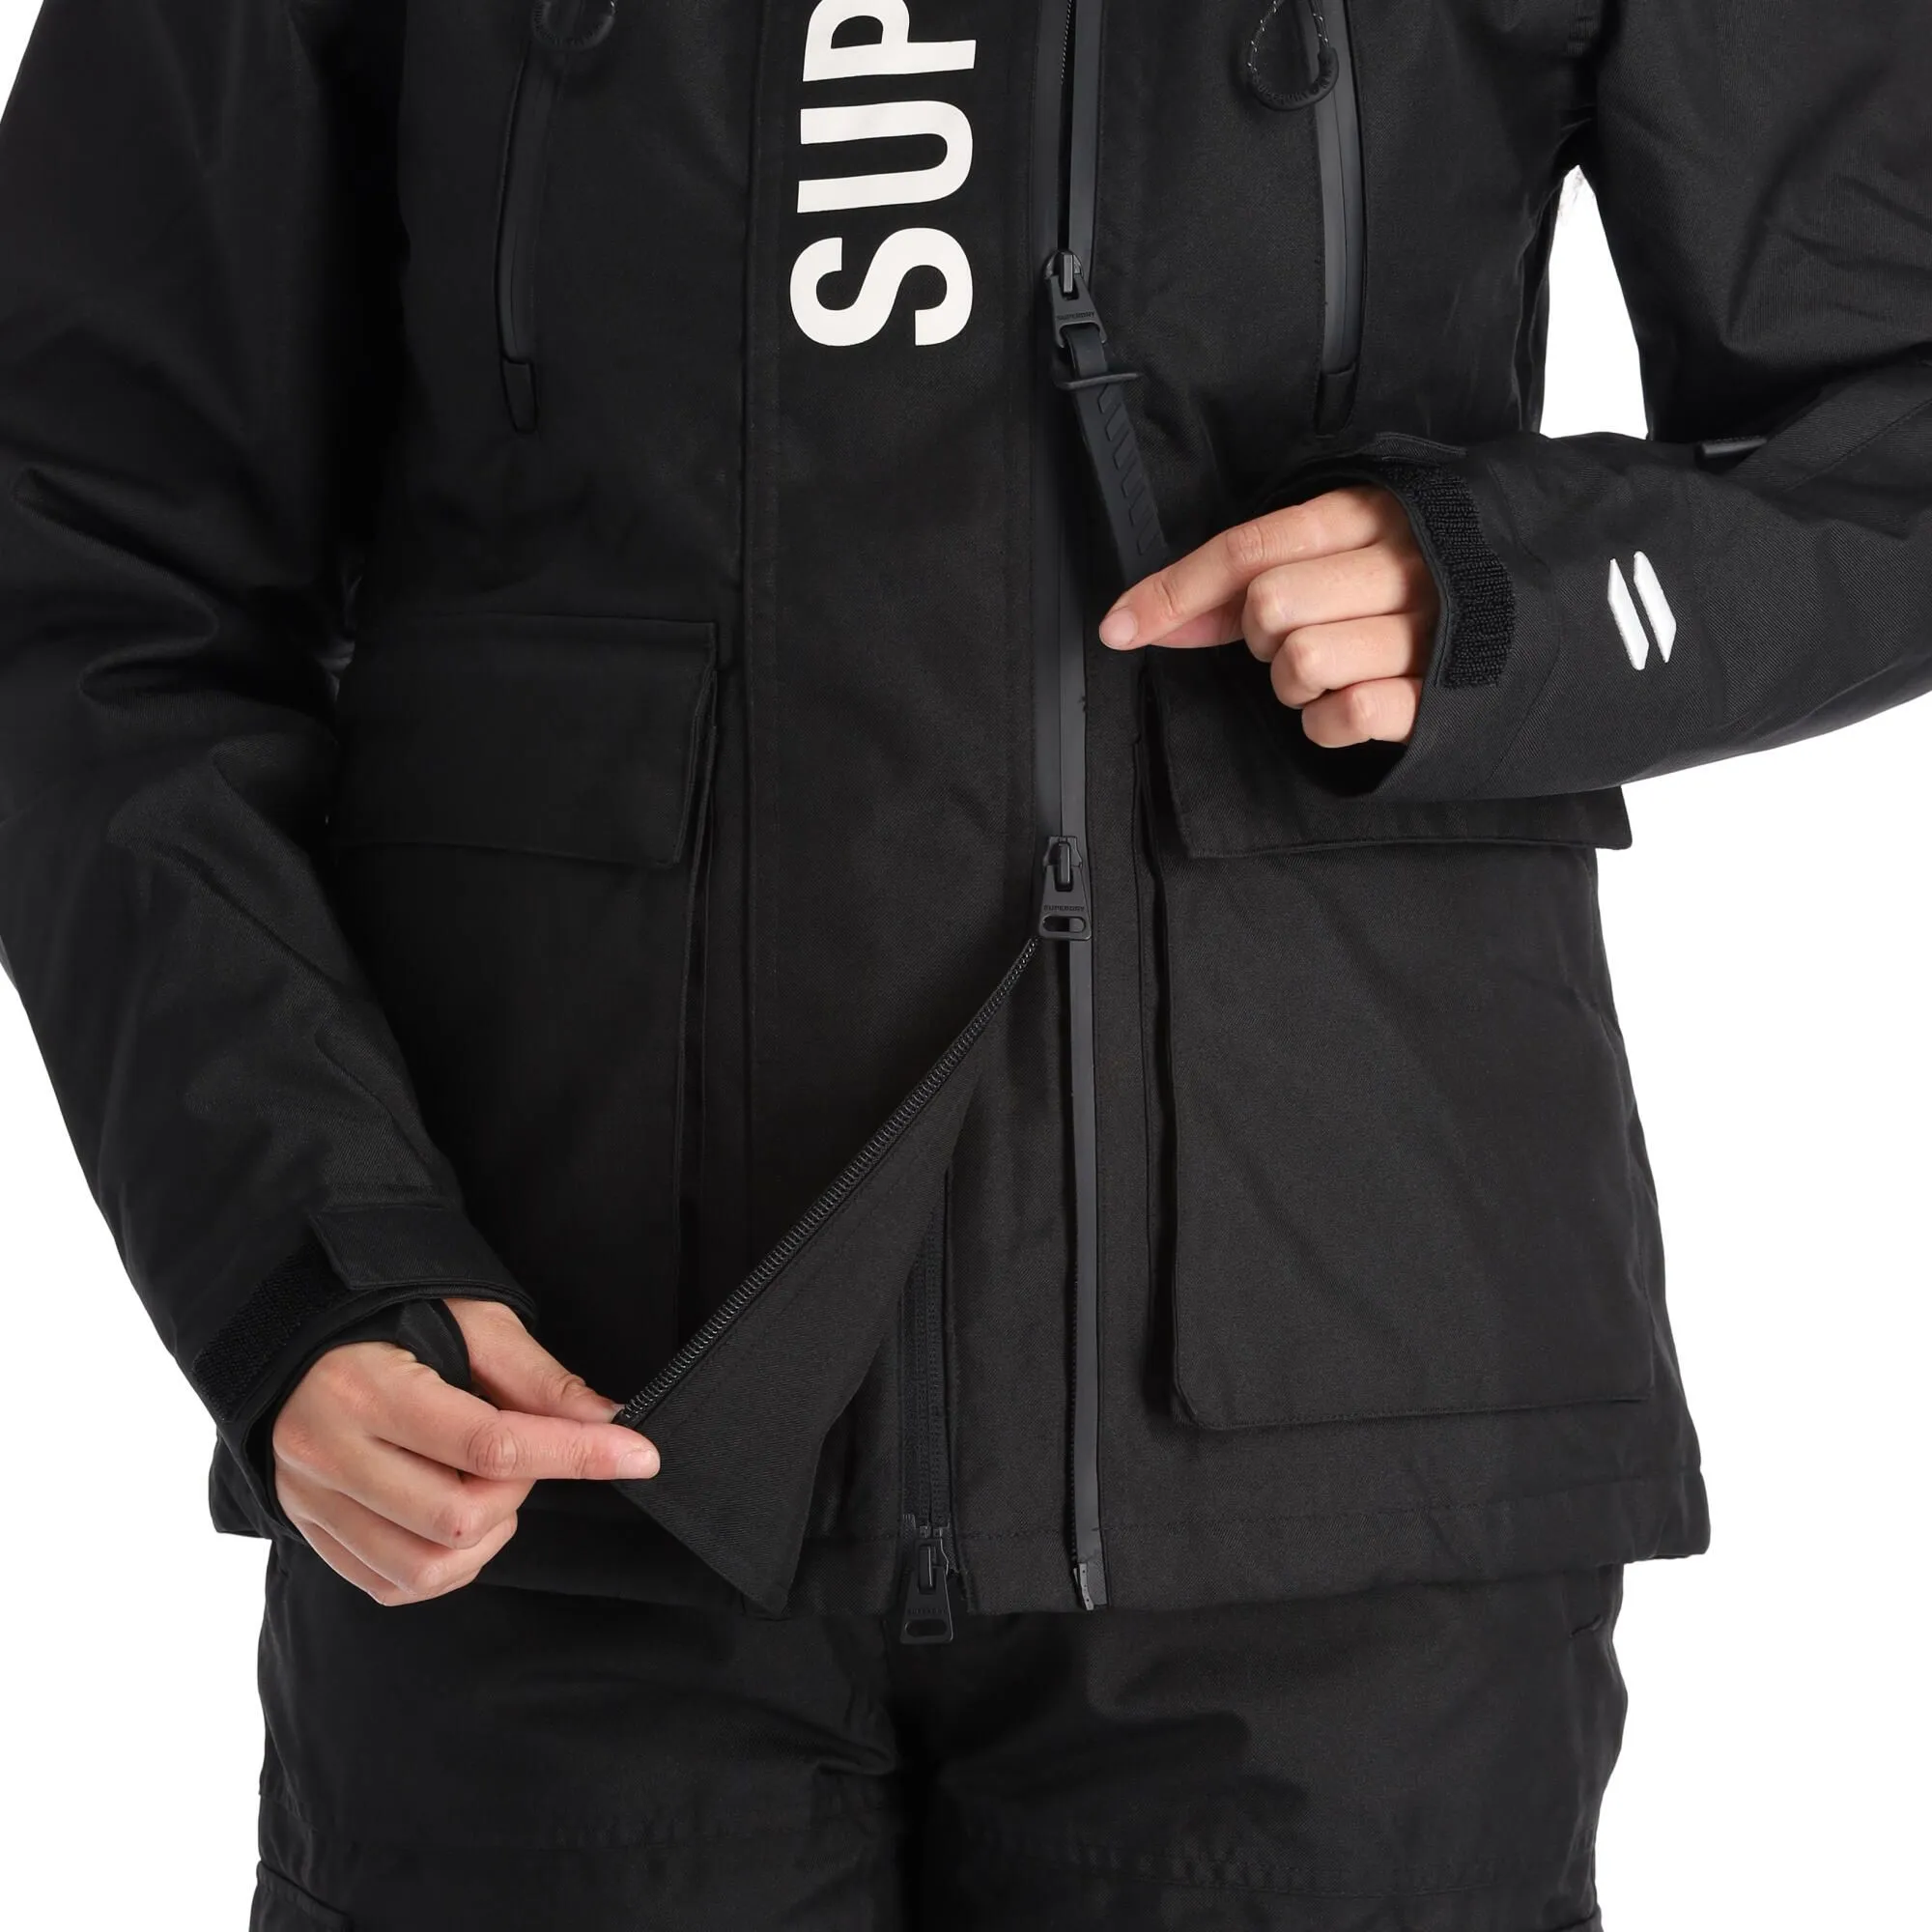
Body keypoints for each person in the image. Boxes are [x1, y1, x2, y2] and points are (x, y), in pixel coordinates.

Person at [0, 0, 1925, 1923]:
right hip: (540, 1439)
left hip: (1340, 1457)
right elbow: (88, 565)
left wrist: (1520, 597)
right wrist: (301, 1256)